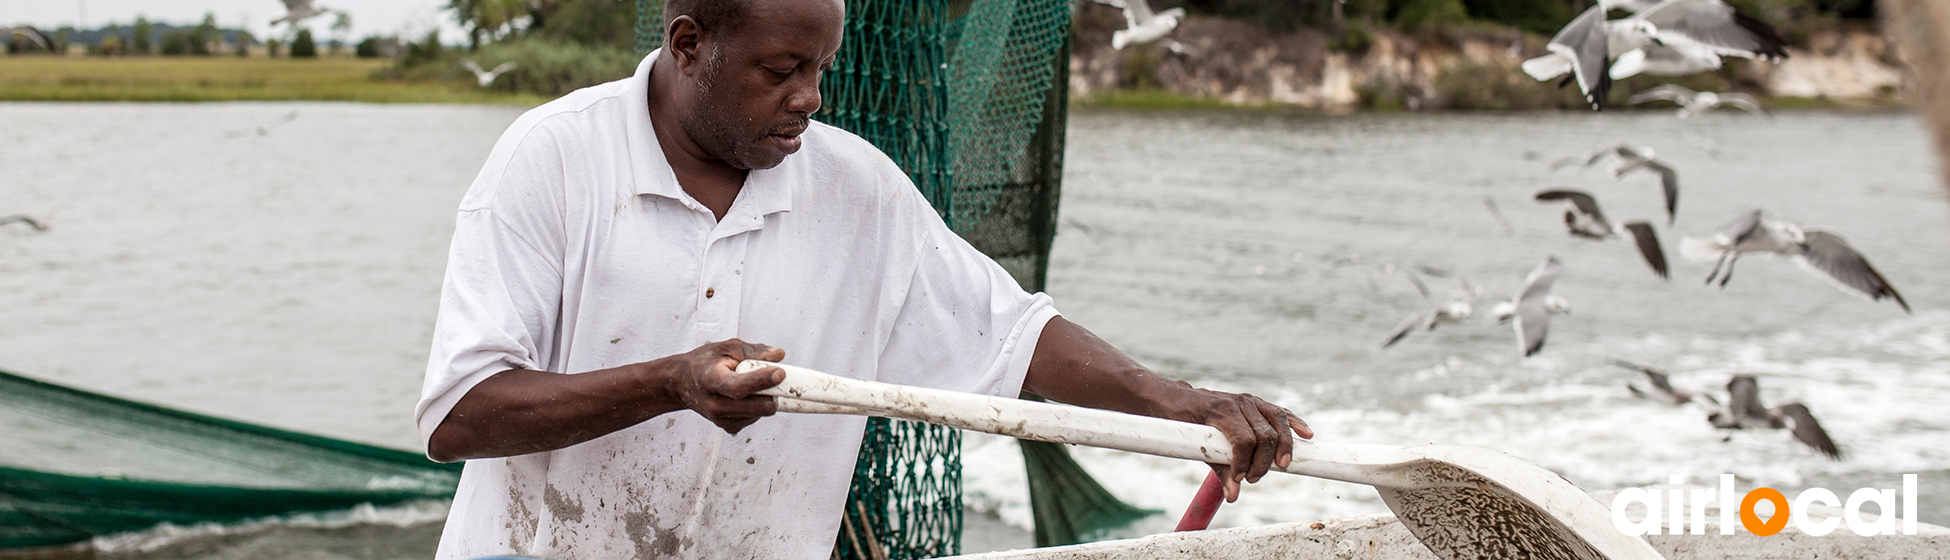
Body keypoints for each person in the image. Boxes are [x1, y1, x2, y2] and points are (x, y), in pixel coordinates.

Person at [414, 0, 1310, 557]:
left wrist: (1175, 401)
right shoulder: (554, 160)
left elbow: (1012, 333)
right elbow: (462, 414)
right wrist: (671, 382)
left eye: (822, 68)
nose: (811, 97)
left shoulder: (856, 187)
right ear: (689, 45)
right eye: (781, 70)